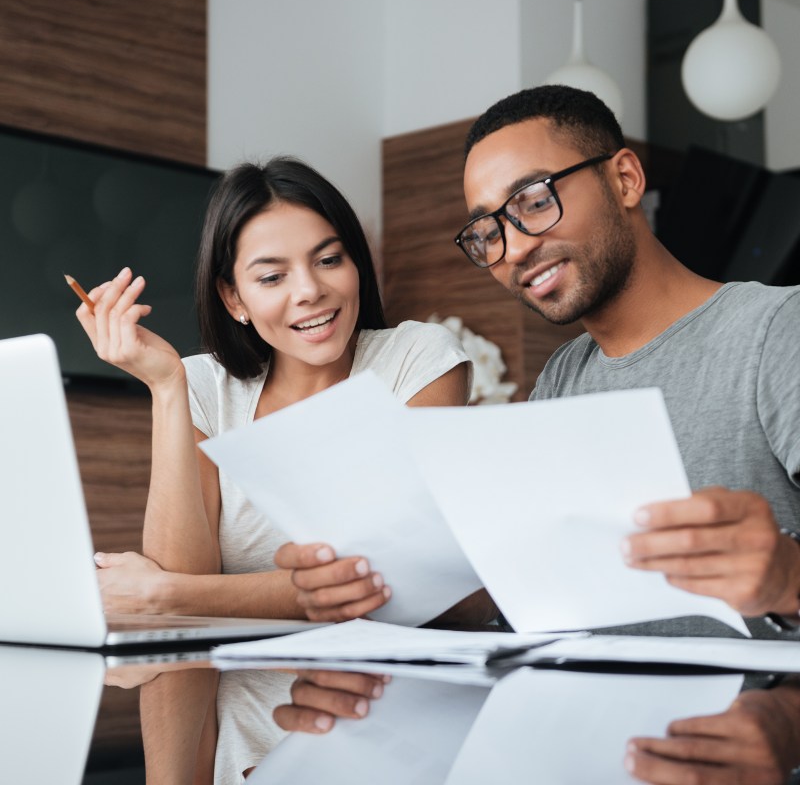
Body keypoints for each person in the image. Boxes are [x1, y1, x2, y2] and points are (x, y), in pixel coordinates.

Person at [276, 84, 800, 730]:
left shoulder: (778, 331)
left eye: (532, 201)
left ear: (626, 179)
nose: (514, 248)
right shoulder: (562, 380)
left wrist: (788, 581)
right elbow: (518, 599)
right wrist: (365, 590)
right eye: (486, 231)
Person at [74, 156, 475, 777]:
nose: (309, 290)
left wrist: (166, 595)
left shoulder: (417, 361)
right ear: (234, 299)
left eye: (328, 259)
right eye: (272, 276)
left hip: (386, 732)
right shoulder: (204, 385)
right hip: (235, 741)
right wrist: (165, 388)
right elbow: (189, 600)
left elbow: (389, 581)